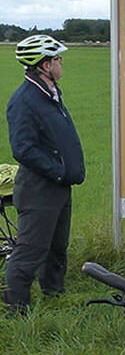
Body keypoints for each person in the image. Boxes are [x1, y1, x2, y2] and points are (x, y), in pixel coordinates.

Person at [4, 35, 85, 315]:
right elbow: (23, 149)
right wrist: (59, 171)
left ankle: (54, 294)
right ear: (45, 65)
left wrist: (64, 175)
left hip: (59, 187)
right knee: (30, 249)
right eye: (58, 59)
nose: (62, 63)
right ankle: (17, 308)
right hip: (39, 188)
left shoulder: (50, 93)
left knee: (57, 247)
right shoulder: (25, 101)